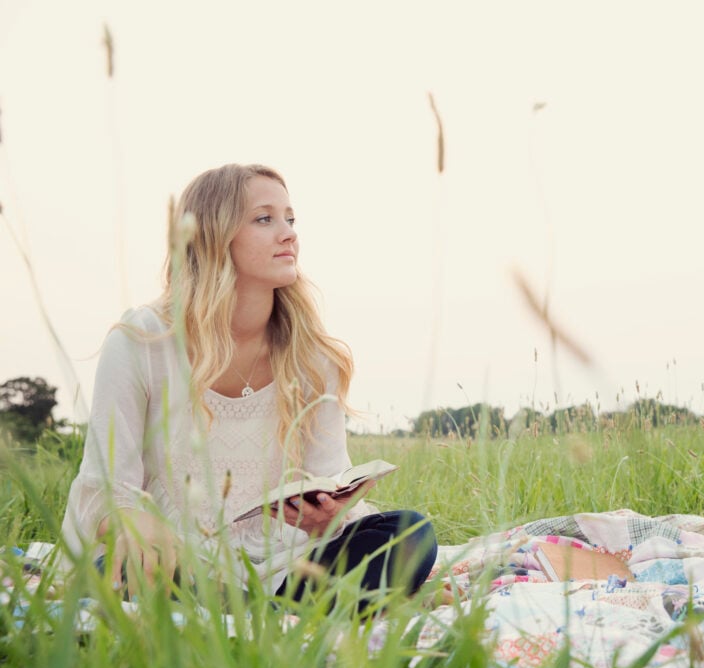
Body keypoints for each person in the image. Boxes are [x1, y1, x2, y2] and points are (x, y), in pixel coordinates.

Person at [60, 163, 437, 605]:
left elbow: (329, 478)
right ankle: (287, 618)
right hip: (176, 558)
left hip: (283, 561)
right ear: (214, 236)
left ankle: (254, 615)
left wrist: (329, 515)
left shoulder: (314, 356)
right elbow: (106, 490)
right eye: (265, 219)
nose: (289, 234)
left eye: (290, 219)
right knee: (116, 567)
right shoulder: (142, 340)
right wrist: (135, 524)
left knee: (410, 533)